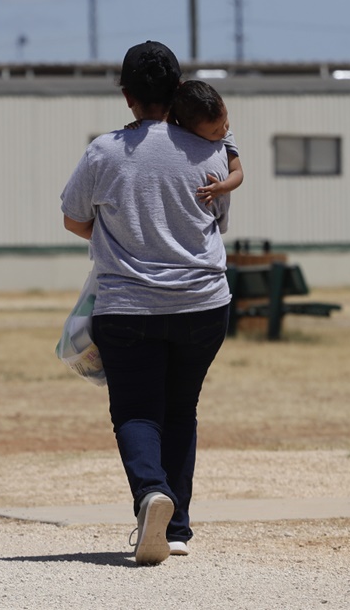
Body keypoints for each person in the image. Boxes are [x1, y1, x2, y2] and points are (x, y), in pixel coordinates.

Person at [60, 40, 232, 565]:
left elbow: (73, 218)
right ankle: (176, 529)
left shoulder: (104, 151)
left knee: (136, 409)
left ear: (127, 95)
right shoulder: (212, 151)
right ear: (179, 90)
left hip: (128, 305)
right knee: (181, 408)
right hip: (204, 302)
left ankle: (151, 494)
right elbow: (217, 222)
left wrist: (112, 233)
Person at [124, 78, 243, 207]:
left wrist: (222, 187)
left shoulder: (225, 139)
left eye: (225, 120)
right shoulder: (177, 133)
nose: (224, 130)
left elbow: (237, 172)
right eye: (215, 131)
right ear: (189, 130)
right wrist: (140, 126)